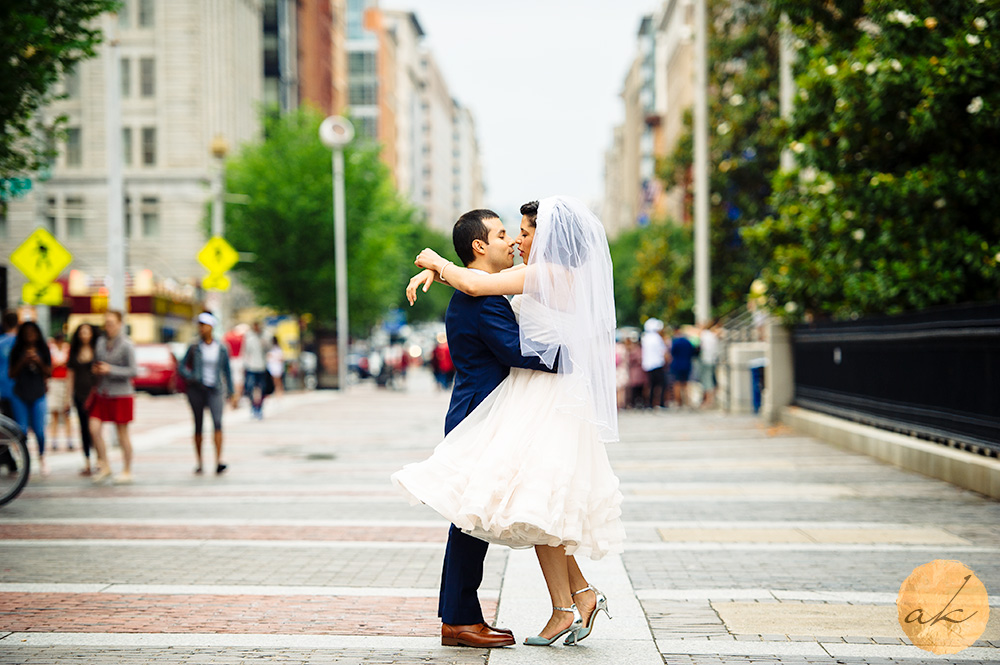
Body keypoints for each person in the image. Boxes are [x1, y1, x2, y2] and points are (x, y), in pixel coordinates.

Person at [397, 197, 625, 648]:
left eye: (521, 231)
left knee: (532, 504)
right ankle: (470, 617)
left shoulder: (526, 279)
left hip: (525, 405)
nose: (517, 241)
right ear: (481, 246)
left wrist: (437, 265)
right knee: (502, 511)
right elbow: (488, 303)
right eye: (506, 234)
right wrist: (443, 272)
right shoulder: (494, 289)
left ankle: (566, 602)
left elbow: (482, 291)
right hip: (490, 410)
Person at [180, 312, 237, 475]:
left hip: (215, 389)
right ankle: (199, 462)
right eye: (199, 325)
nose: (201, 328)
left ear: (211, 326)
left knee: (217, 423)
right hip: (196, 389)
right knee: (198, 425)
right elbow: (181, 367)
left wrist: (232, 393)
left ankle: (218, 461)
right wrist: (191, 376)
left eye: (204, 325)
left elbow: (227, 371)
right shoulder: (194, 347)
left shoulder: (221, 348)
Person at [89, 310, 137, 484]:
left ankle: (127, 469)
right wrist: (96, 370)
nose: (108, 326)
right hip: (102, 392)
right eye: (106, 322)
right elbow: (96, 362)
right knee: (94, 427)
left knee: (122, 433)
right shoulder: (101, 342)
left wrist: (111, 369)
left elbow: (133, 371)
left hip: (121, 393)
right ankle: (105, 465)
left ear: (120, 323)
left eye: (111, 323)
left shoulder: (126, 344)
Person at [8, 321, 52, 475]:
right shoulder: (17, 350)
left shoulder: (43, 349)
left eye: (33, 332)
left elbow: (49, 372)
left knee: (39, 430)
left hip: (38, 393)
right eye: (26, 333)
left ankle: (42, 456)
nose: (30, 336)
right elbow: (11, 374)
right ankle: (25, 460)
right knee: (21, 429)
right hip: (20, 394)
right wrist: (23, 361)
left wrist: (38, 361)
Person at [66, 323, 99, 476]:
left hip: (95, 395)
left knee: (95, 429)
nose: (84, 335)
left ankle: (100, 459)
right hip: (79, 394)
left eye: (87, 332)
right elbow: (70, 375)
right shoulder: (74, 351)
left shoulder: (98, 350)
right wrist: (67, 397)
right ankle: (87, 461)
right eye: (82, 332)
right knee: (83, 428)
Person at [47, 332, 73, 451]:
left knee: (67, 412)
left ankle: (69, 440)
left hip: (65, 381)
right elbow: (48, 365)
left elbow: (70, 365)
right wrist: (57, 364)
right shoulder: (50, 348)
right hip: (54, 381)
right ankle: (54, 440)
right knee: (54, 412)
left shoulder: (67, 348)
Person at [242, 320, 268, 419]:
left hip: (262, 366)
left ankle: (260, 408)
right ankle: (253, 407)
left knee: (262, 388)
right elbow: (245, 351)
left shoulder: (264, 336)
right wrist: (244, 365)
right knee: (250, 387)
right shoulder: (249, 337)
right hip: (251, 366)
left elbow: (268, 349)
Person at [641, 318, 668, 409]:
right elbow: (663, 351)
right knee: (662, 384)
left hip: (648, 365)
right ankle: (661, 403)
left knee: (651, 385)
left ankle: (649, 403)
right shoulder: (657, 338)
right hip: (657, 364)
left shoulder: (645, 338)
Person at [669, 327, 696, 408]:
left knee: (677, 384)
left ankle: (678, 402)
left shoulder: (675, 342)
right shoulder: (688, 342)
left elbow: (672, 353)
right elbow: (693, 352)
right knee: (686, 384)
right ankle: (687, 402)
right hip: (687, 364)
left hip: (677, 365)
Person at [0, 310, 19, 419]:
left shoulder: (1, 342)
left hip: (3, 387)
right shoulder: (21, 342)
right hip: (20, 387)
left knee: (7, 421)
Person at [699, 321, 720, 409]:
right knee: (712, 380)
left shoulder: (705, 335)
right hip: (712, 360)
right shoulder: (712, 336)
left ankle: (708, 400)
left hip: (706, 360)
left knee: (707, 381)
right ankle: (711, 400)